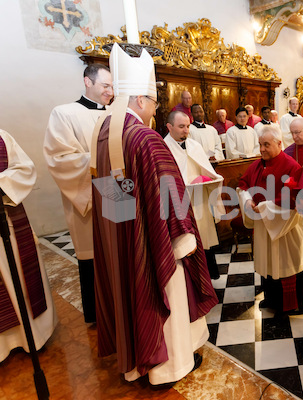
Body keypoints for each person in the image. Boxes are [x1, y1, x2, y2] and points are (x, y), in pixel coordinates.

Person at [91, 44, 218, 386]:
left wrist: (127, 229)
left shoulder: (103, 133)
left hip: (122, 229)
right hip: (156, 238)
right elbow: (170, 193)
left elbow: (112, 197)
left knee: (132, 285)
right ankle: (169, 366)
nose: (153, 111)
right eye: (153, 103)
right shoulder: (145, 137)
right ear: (141, 101)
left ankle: (136, 360)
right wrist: (183, 235)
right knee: (168, 292)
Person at [44, 62, 113, 323]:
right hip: (89, 191)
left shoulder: (116, 115)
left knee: (122, 248)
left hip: (119, 191)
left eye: (112, 86)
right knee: (94, 253)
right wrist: (102, 161)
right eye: (105, 85)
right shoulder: (64, 113)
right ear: (88, 82)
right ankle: (98, 314)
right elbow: (59, 158)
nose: (110, 91)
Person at [0, 129, 57, 362]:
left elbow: (24, 168)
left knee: (20, 278)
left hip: (7, 217)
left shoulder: (2, 137)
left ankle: (31, 335)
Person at [237, 125, 303, 313]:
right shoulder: (257, 165)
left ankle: (288, 306)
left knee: (284, 264)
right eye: (260, 145)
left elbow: (295, 199)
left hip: (284, 228)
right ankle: (270, 298)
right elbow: (243, 185)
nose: (262, 149)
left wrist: (265, 207)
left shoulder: (291, 166)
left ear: (279, 143)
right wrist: (248, 200)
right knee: (267, 263)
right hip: (262, 226)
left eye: (266, 145)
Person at [164, 110, 225, 279]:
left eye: (188, 126)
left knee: (204, 239)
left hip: (200, 201)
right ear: (169, 127)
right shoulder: (163, 148)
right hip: (179, 204)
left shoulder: (194, 146)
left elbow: (208, 170)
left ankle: (208, 279)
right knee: (186, 243)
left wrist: (212, 179)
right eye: (181, 126)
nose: (186, 130)